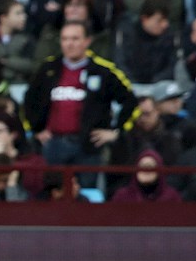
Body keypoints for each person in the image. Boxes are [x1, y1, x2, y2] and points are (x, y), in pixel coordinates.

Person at [24, 20, 137, 167]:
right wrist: (36, 130)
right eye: (65, 39)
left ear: (87, 41)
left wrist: (116, 132)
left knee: (88, 189)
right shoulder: (47, 69)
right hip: (53, 145)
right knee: (52, 188)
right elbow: (29, 100)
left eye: (75, 39)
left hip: (88, 147)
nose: (69, 44)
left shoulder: (104, 71)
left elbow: (131, 101)